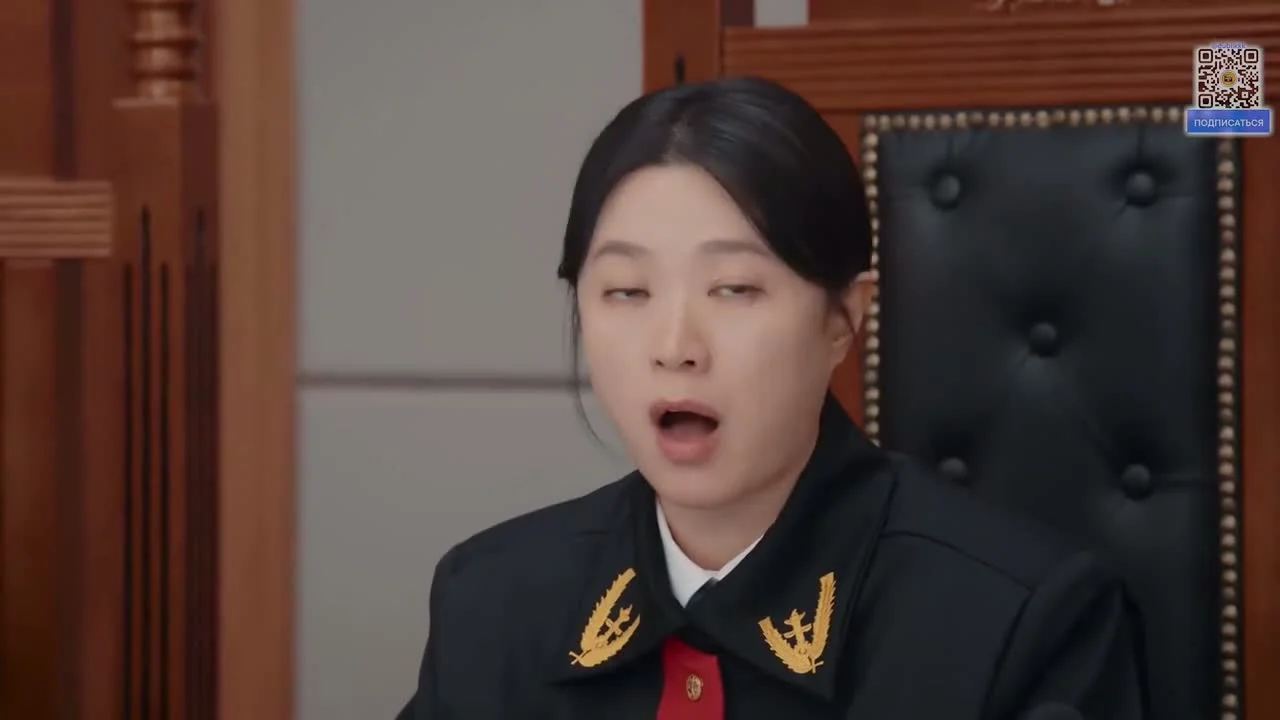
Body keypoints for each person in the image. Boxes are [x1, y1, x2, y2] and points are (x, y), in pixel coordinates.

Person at [396, 76, 1146, 719]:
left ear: (844, 317)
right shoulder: (489, 602)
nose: (676, 346)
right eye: (626, 291)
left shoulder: (1023, 623)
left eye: (734, 289)